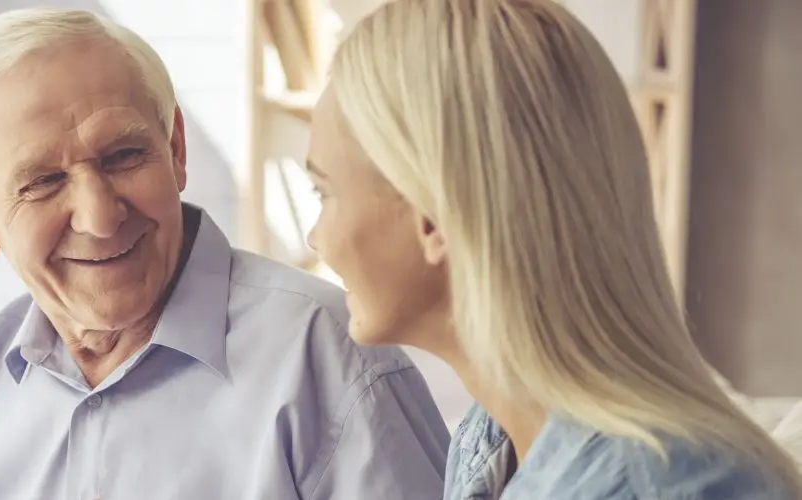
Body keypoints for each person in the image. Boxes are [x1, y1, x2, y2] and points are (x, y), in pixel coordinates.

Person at [0, 7, 450, 500]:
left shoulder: (331, 358)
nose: (100, 218)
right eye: (44, 181)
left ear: (175, 148)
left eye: (123, 155)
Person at [303, 0, 802, 498]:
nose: (314, 237)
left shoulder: (666, 485)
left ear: (431, 216)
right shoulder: (491, 439)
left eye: (324, 193)